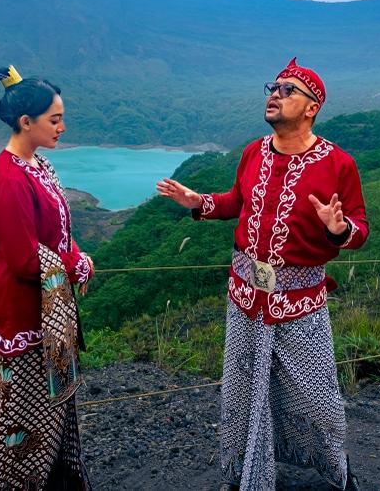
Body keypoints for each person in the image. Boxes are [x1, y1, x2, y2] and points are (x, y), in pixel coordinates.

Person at [157, 58, 367, 491]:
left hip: (299, 299)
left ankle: (330, 470)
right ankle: (246, 474)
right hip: (245, 294)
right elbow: (237, 200)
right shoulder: (255, 151)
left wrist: (338, 229)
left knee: (316, 393)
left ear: (312, 107)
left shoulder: (338, 163)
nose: (275, 93)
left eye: (288, 90)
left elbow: (359, 231)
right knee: (242, 388)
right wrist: (199, 201)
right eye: (273, 87)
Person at [0, 65, 94, 490]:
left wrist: (76, 255)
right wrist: (75, 263)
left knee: (49, 417)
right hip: (18, 318)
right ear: (26, 123)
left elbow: (57, 230)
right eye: (54, 119)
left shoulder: (36, 165)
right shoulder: (7, 179)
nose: (62, 127)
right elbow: (27, 261)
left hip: (40, 318)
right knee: (22, 422)